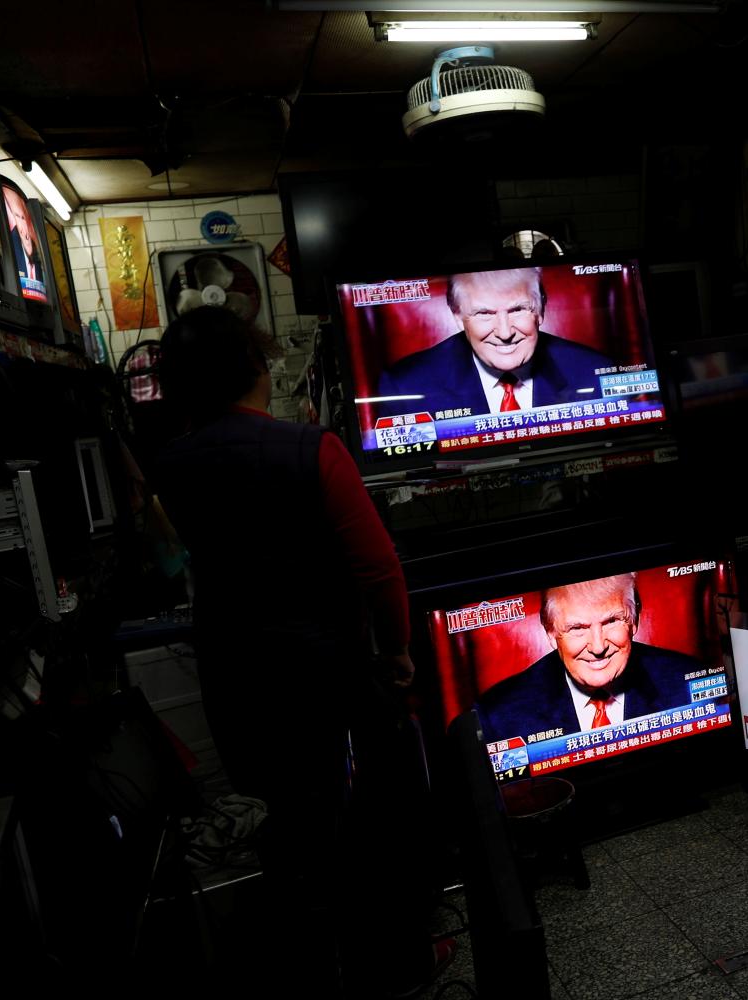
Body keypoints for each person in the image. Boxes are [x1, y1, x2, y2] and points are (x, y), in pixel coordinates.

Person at [153, 306, 449, 998]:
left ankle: (310, 967)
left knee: (287, 825)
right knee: (371, 822)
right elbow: (377, 567)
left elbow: (177, 559)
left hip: (235, 678)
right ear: (255, 367)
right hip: (324, 674)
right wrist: (398, 649)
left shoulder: (168, 466)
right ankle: (392, 961)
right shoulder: (311, 448)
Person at [474, 573, 703, 742]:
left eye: (612, 621)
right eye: (577, 628)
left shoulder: (690, 685)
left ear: (633, 621)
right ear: (551, 633)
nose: (597, 646)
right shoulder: (499, 716)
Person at [377, 266, 613, 417]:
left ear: (540, 310)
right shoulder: (405, 388)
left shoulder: (595, 372)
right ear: (458, 317)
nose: (504, 332)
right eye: (484, 313)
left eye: (518, 309)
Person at [2, 186, 43, 295]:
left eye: (22, 218)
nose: (21, 227)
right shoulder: (10, 251)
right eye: (16, 217)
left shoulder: (39, 255)